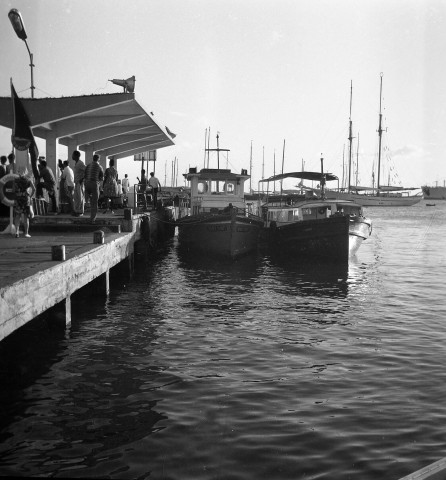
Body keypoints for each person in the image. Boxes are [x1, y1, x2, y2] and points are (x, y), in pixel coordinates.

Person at [13, 172, 35, 238]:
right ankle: (26, 233)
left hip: (18, 199)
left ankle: (17, 232)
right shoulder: (28, 180)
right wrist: (30, 196)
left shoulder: (16, 181)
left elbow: (13, 190)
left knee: (17, 215)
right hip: (26, 199)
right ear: (25, 173)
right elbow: (34, 189)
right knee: (26, 217)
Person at [84, 154, 104, 223]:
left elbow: (85, 175)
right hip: (94, 184)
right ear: (98, 159)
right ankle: (92, 219)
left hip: (87, 184)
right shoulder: (99, 166)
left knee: (89, 199)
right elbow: (102, 178)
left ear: (93, 159)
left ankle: (87, 203)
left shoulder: (88, 165)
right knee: (95, 202)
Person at [72, 150, 85, 217]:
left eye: (73, 155)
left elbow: (86, 171)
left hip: (80, 183)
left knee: (80, 197)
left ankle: (80, 211)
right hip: (76, 182)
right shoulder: (77, 163)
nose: (72, 156)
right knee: (76, 198)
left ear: (76, 156)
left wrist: (82, 179)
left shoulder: (80, 163)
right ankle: (76, 211)